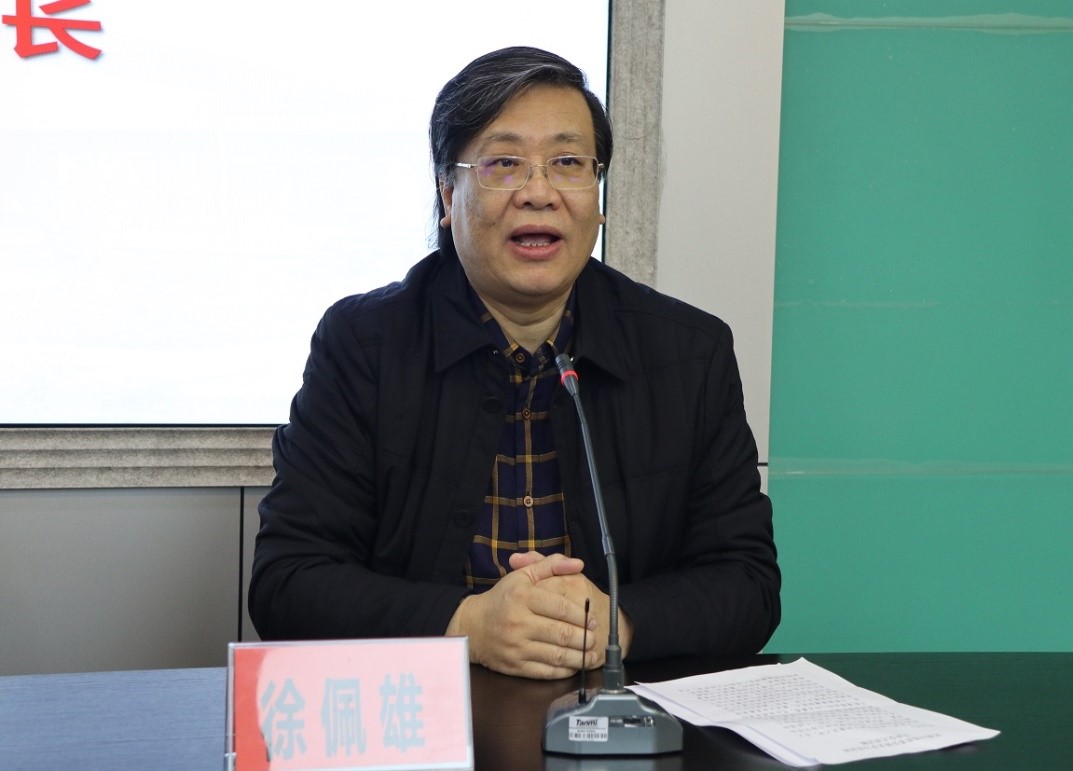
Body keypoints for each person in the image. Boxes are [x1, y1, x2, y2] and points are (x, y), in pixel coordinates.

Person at [249, 46, 780, 680]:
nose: (539, 193)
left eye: (568, 163)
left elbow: (748, 583)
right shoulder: (364, 345)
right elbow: (288, 583)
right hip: (429, 706)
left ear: (598, 195)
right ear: (448, 194)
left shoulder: (689, 353)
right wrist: (467, 626)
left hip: (619, 708)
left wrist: (618, 625)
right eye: (505, 163)